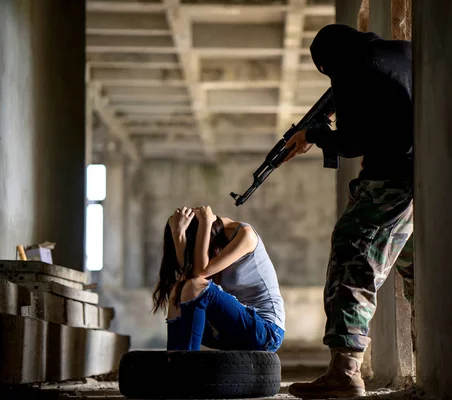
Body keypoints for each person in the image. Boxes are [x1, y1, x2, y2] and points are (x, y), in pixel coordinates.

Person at [283, 24, 414, 398]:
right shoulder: (403, 51)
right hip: (423, 180)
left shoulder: (353, 68)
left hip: (389, 181)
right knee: (415, 266)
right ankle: (430, 356)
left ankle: (345, 370)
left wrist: (314, 135)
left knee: (351, 253)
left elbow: (354, 142)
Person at [151, 205, 286, 352]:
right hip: (231, 332)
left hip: (266, 332)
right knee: (179, 290)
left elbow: (199, 274)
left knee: (194, 285)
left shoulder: (246, 235)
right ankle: (173, 363)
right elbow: (190, 275)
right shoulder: (217, 242)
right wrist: (178, 234)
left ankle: (187, 366)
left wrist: (205, 223)